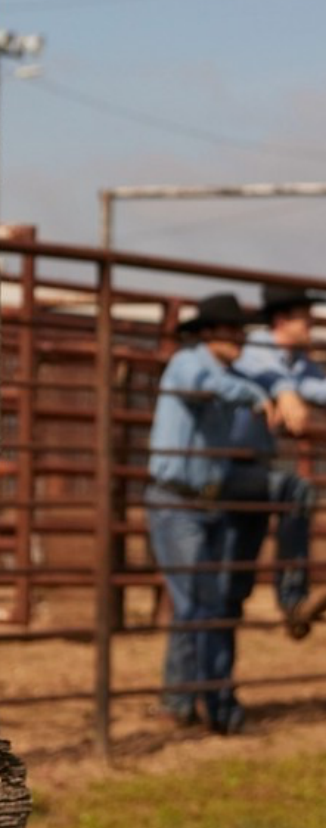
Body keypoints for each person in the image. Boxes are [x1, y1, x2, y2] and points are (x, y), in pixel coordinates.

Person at [145, 292, 278, 735]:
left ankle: (183, 700)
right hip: (177, 501)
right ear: (206, 333)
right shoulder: (190, 363)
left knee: (200, 603)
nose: (239, 338)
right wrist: (258, 398)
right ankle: (213, 702)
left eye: (241, 330)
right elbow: (218, 386)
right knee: (199, 603)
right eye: (230, 329)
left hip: (203, 499)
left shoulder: (225, 375)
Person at [225, 284, 322, 629]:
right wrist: (284, 392)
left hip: (255, 472)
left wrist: (289, 391)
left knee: (233, 579)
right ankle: (293, 599)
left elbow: (316, 388)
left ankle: (218, 681)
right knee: (297, 490)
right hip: (225, 465)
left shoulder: (301, 364)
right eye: (304, 318)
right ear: (281, 320)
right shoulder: (254, 348)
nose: (311, 323)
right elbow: (267, 375)